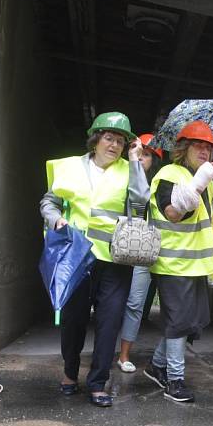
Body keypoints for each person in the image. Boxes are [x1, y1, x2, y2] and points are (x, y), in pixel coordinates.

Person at [40, 111, 149, 407]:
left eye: (120, 141)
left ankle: (99, 382)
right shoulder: (70, 167)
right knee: (73, 320)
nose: (114, 145)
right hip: (75, 256)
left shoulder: (129, 170)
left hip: (114, 259)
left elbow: (140, 203)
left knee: (109, 321)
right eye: (109, 138)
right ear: (96, 140)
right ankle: (69, 373)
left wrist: (137, 162)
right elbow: (49, 202)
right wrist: (56, 220)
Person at [142, 121, 213, 402]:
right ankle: (175, 381)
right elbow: (173, 213)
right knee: (180, 322)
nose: (204, 151)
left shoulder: (201, 181)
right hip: (173, 262)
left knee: (191, 322)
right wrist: (201, 181)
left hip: (195, 264)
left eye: (208, 147)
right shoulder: (170, 174)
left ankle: (157, 366)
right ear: (183, 148)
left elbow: (203, 220)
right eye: (198, 146)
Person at [116, 134, 163, 373]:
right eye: (141, 153)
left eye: (148, 155)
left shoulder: (161, 182)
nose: (143, 158)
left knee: (145, 303)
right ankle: (117, 353)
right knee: (125, 302)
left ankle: (131, 356)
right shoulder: (124, 179)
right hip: (129, 247)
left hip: (156, 248)